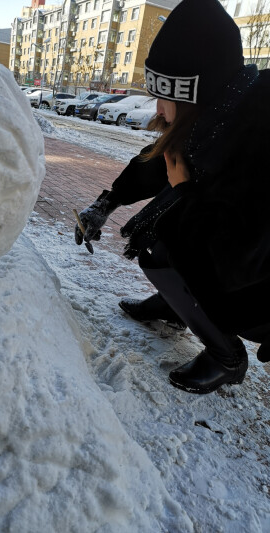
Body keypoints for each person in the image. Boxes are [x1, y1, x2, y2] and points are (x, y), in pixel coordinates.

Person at [75, 0, 270, 394]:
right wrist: (107, 202)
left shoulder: (259, 130)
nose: (160, 112)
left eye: (165, 98)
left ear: (197, 90)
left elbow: (238, 253)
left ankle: (225, 354)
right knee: (166, 232)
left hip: (259, 284)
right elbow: (156, 162)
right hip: (233, 253)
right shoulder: (217, 112)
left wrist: (183, 192)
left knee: (165, 235)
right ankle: (178, 305)